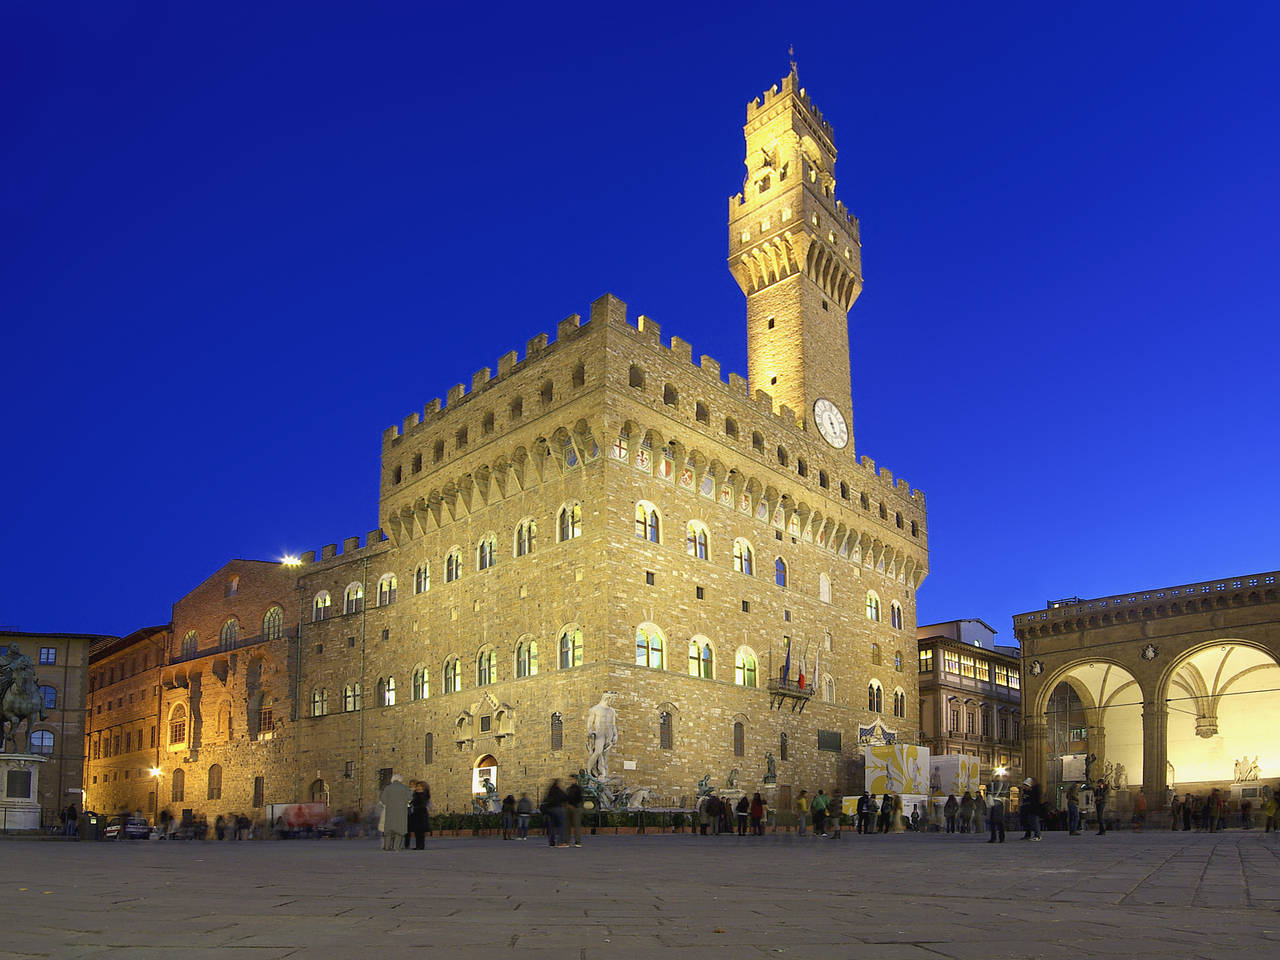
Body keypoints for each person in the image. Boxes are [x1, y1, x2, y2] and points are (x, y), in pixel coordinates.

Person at [378, 774, 411, 851]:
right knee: (399, 830)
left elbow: (382, 800)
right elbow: (410, 798)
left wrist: (387, 804)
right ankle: (397, 847)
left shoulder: (387, 788)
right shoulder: (405, 788)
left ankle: (387, 846)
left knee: (389, 830)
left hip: (389, 811)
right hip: (401, 811)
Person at [542, 778, 567, 847]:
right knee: (561, 825)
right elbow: (565, 797)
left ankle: (551, 842)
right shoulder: (558, 790)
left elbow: (546, 799)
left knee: (551, 826)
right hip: (557, 808)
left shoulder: (550, 790)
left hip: (549, 809)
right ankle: (561, 842)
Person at [408, 780, 430, 849]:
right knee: (417, 831)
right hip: (416, 812)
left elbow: (421, 802)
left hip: (421, 812)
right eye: (417, 786)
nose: (418, 788)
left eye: (420, 787)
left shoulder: (424, 794)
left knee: (421, 831)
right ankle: (418, 845)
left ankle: (421, 845)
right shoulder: (416, 794)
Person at [565, 774, 584, 847]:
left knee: (576, 826)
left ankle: (577, 842)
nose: (570, 781)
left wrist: (572, 805)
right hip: (571, 807)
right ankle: (567, 841)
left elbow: (578, 798)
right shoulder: (569, 789)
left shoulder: (577, 788)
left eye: (572, 779)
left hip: (575, 808)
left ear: (575, 780)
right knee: (568, 826)